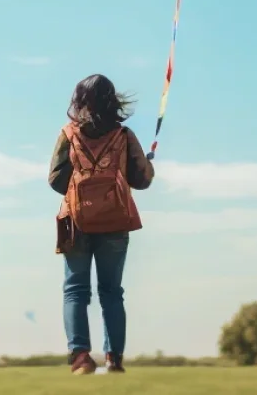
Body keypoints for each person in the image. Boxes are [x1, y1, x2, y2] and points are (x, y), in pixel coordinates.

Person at [49, 73, 154, 375]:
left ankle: (81, 358)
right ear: (113, 100)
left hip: (75, 221)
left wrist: (83, 192)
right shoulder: (124, 135)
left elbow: (55, 180)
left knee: (75, 290)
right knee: (111, 292)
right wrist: (148, 164)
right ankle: (114, 360)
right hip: (116, 221)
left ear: (79, 100)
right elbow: (142, 180)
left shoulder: (68, 133)